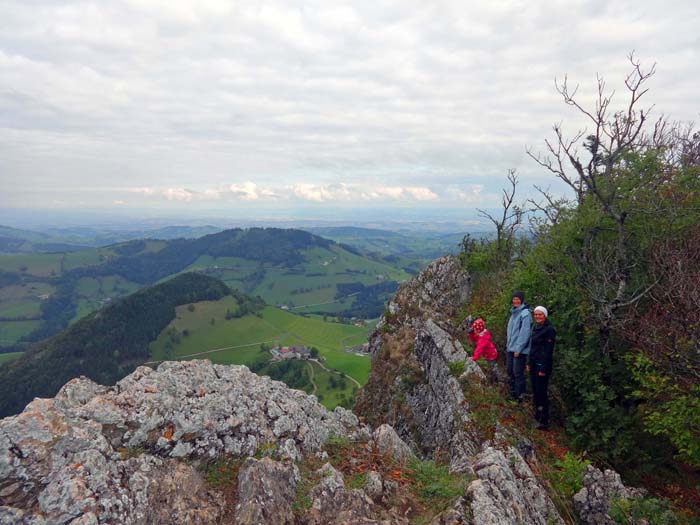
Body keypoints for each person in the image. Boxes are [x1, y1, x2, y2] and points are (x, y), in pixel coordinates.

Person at [528, 306, 556, 430]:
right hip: (534, 363)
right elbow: (532, 347)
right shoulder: (535, 327)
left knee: (541, 392)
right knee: (535, 391)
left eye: (540, 315)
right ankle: (537, 415)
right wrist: (529, 363)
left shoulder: (549, 330)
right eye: (536, 314)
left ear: (545, 315)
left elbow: (549, 351)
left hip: (542, 365)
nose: (538, 316)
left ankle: (543, 421)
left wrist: (543, 369)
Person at [506, 291, 532, 401]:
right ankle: (512, 395)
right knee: (510, 371)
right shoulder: (513, 313)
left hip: (519, 350)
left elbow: (525, 333)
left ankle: (519, 398)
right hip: (510, 348)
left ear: (521, 300)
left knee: (518, 374)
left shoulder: (525, 314)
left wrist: (519, 348)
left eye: (518, 299)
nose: (515, 301)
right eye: (514, 299)